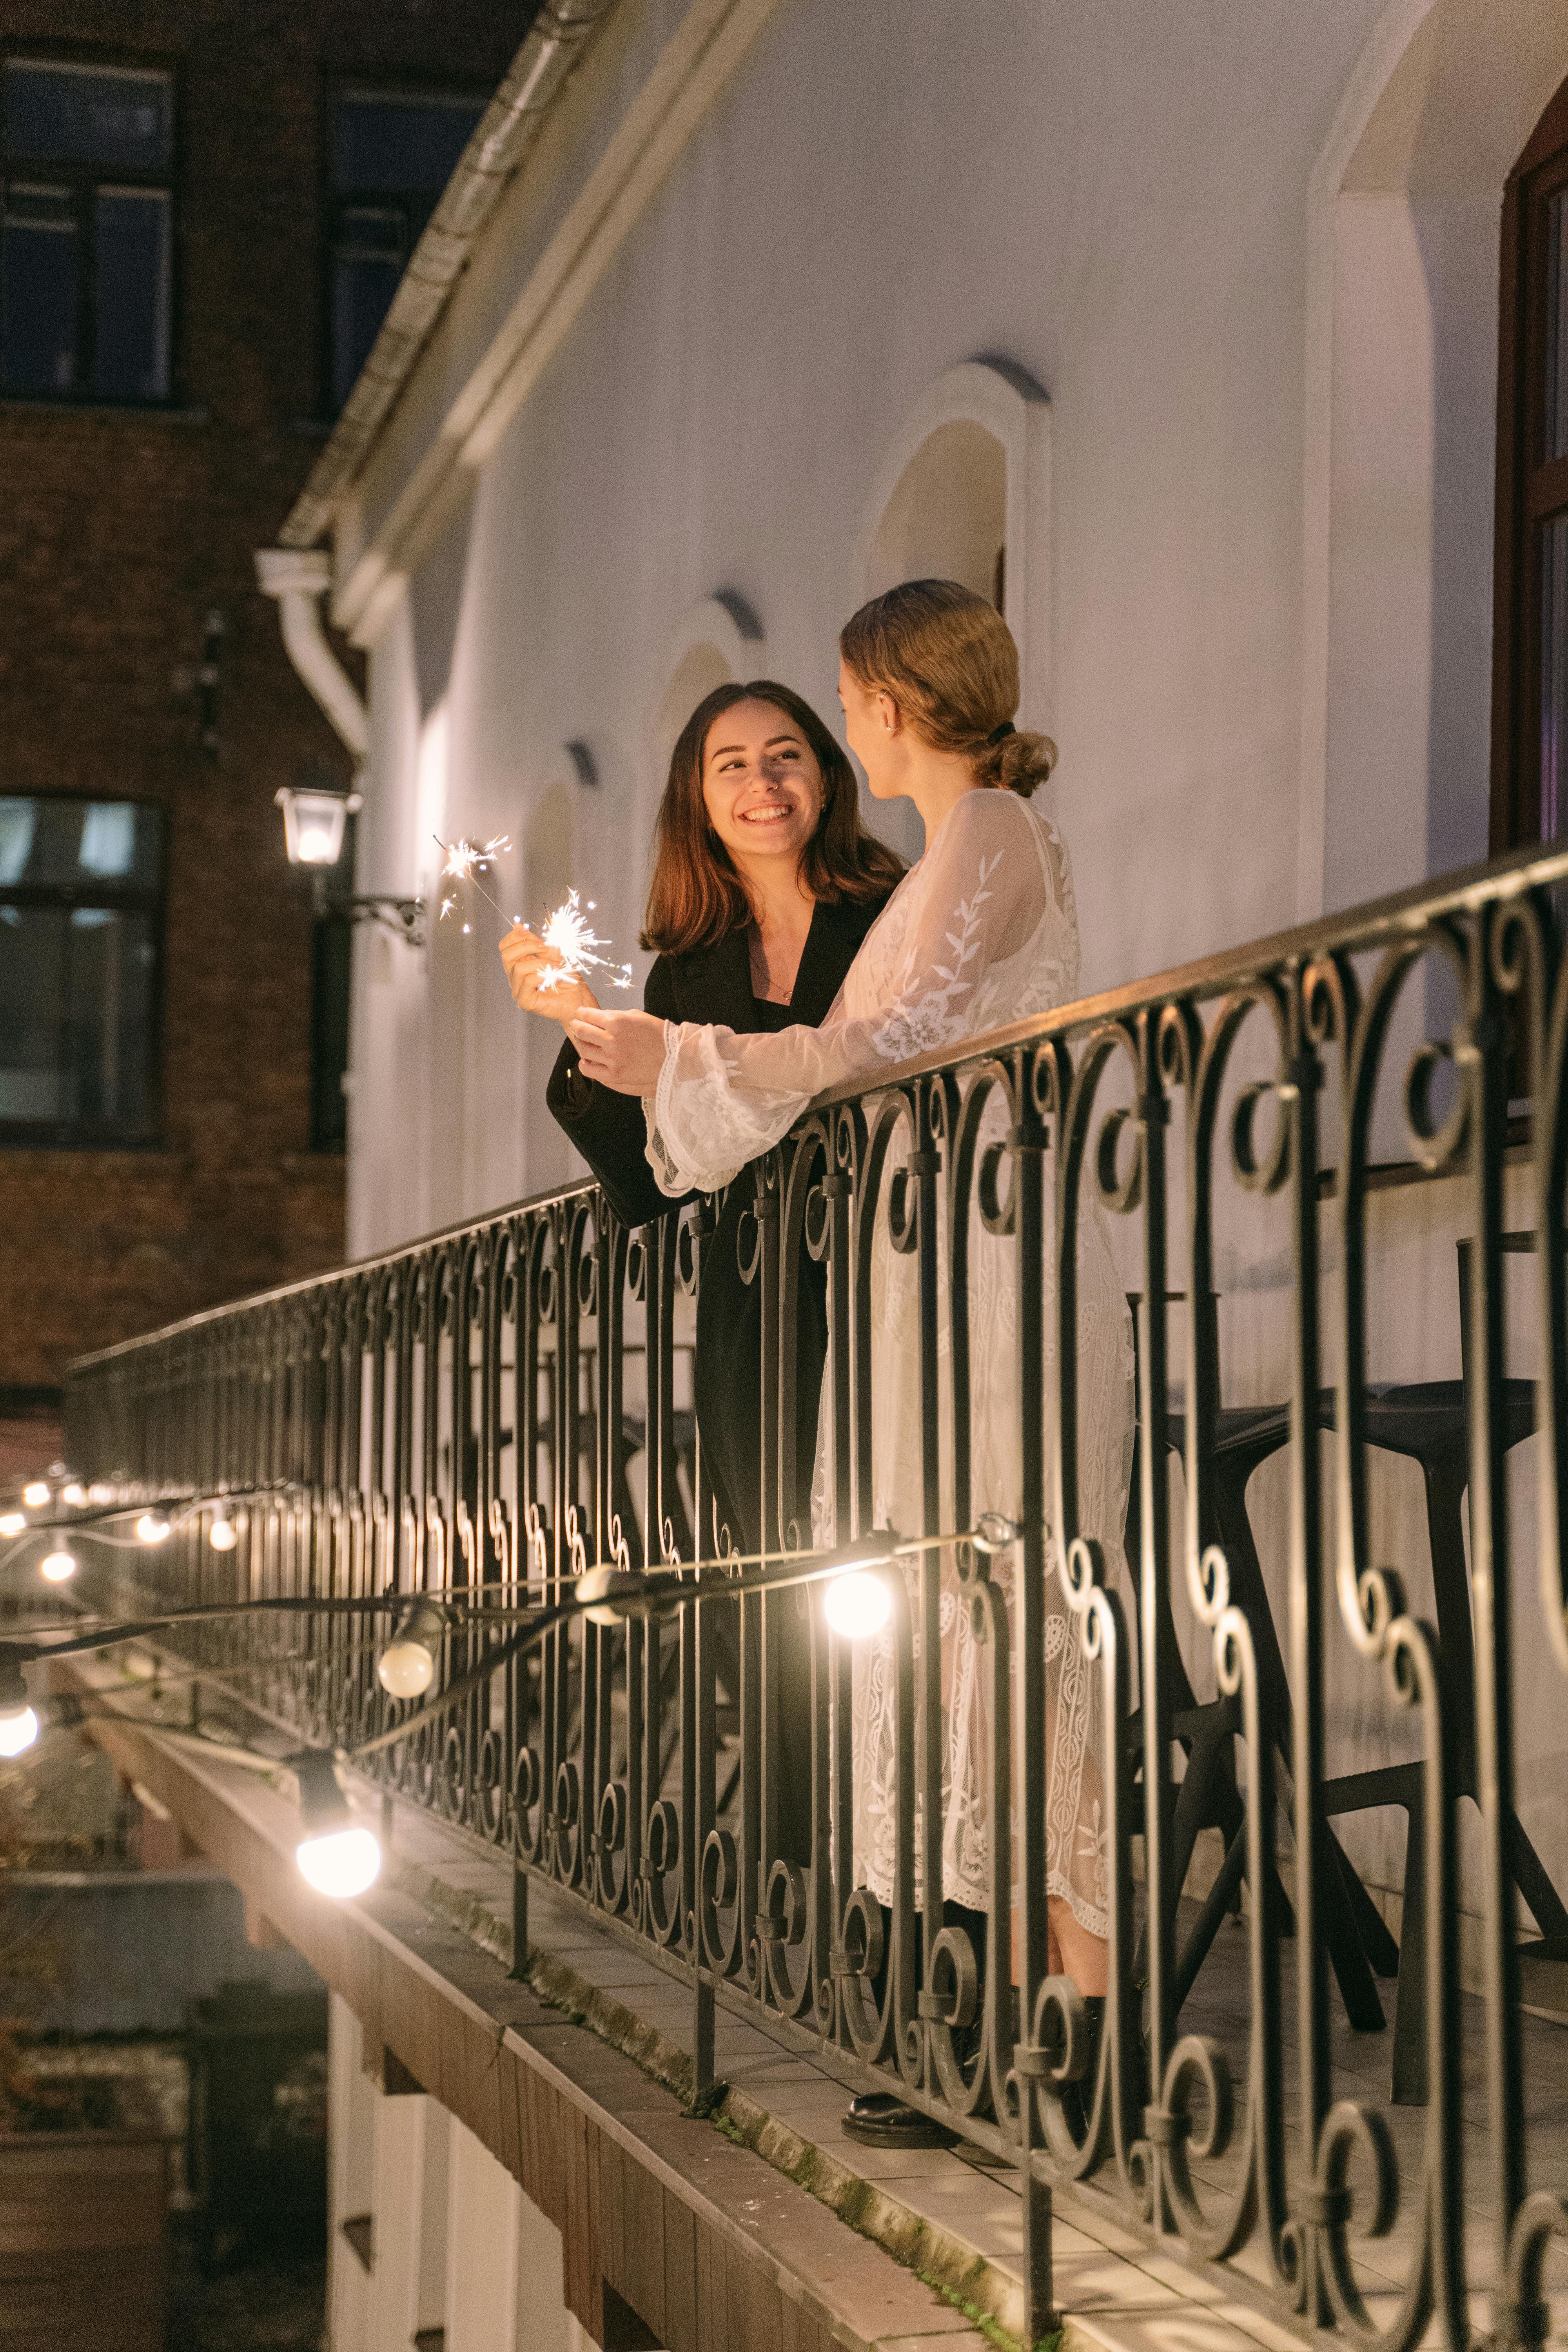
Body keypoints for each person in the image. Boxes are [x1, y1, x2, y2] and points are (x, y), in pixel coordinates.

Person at [566, 582, 1132, 2140]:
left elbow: (882, 1043)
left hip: (994, 1261)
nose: (825, 733)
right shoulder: (950, 849)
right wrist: (648, 1055)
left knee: (1009, 1617)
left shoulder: (993, 835)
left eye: (837, 701)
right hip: (921, 1265)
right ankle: (998, 2017)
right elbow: (842, 1055)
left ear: (892, 699)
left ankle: (1083, 2011)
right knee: (941, 1623)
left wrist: (675, 1059)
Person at [501, 679, 903, 1559]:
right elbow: (653, 1178)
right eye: (732, 766)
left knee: (898, 1527)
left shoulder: (896, 913)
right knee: (778, 1557)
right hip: (755, 1298)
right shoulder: (686, 970)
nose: (762, 782)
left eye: (784, 757)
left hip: (895, 1258)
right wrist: (583, 1020)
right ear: (701, 802)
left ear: (825, 780)